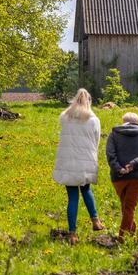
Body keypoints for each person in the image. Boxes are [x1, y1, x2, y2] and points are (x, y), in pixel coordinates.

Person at [53, 88, 105, 245]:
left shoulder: (65, 118)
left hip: (67, 161)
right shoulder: (94, 120)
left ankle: (72, 233)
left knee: (72, 197)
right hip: (84, 161)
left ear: (75, 100)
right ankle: (95, 221)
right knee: (86, 189)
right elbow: (96, 142)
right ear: (89, 101)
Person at [106, 112, 138, 240]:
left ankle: (125, 236)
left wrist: (119, 169)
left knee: (126, 206)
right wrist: (133, 165)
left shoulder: (114, 135)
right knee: (128, 207)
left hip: (118, 177)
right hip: (137, 177)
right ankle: (124, 237)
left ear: (124, 122)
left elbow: (110, 155)